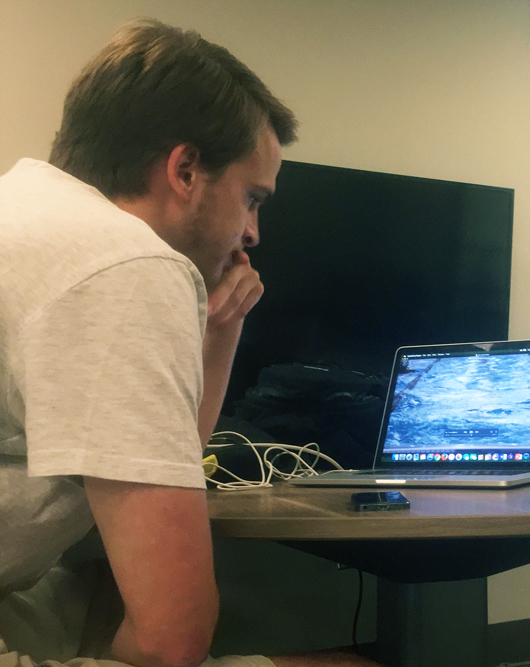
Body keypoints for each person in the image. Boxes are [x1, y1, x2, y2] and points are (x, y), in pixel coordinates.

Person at [0, 19, 380, 667]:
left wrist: (220, 329)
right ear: (185, 170)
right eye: (252, 198)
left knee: (104, 586)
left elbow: (169, 458)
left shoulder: (30, 212)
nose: (254, 231)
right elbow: (172, 640)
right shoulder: (125, 263)